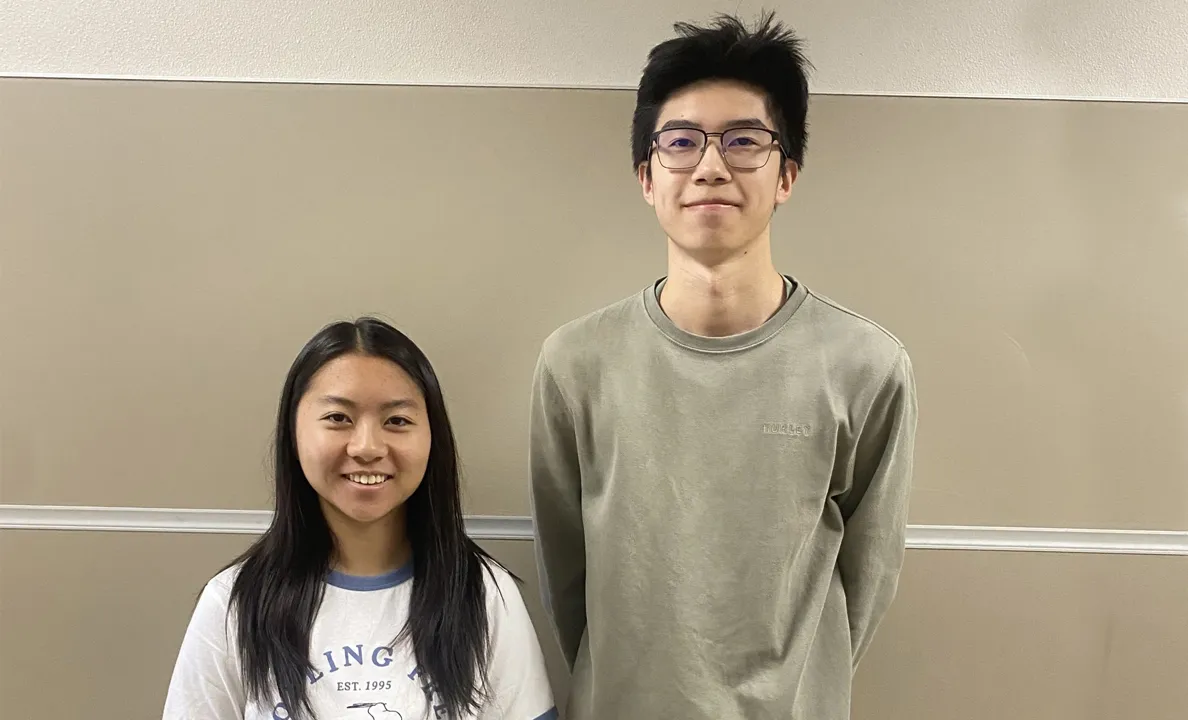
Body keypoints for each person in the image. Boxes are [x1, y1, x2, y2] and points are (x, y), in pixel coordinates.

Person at [528, 11, 918, 720]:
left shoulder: (868, 366)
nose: (711, 166)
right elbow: (568, 577)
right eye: (681, 143)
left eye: (744, 141)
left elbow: (867, 579)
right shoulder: (575, 364)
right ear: (648, 177)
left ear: (787, 174)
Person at [163, 317, 558, 720]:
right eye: (338, 418)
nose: (367, 447)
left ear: (431, 438)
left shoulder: (484, 592)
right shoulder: (235, 600)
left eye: (397, 421)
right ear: (294, 435)